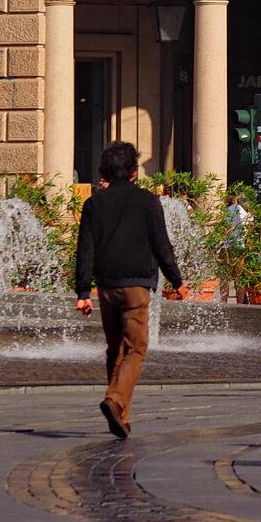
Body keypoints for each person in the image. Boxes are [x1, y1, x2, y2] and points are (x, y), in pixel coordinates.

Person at [74, 140, 187, 438]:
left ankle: (121, 415)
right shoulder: (148, 201)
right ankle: (115, 400)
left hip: (107, 287)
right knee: (136, 348)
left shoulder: (94, 204)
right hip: (137, 286)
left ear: (105, 170)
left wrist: (83, 293)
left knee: (115, 348)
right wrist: (177, 280)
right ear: (134, 171)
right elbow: (162, 245)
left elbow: (84, 249)